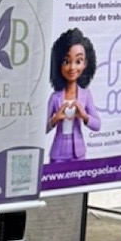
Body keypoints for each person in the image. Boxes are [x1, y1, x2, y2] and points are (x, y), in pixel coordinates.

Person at [47, 28, 101, 162]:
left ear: (85, 64)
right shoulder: (55, 97)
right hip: (58, 152)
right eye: (66, 61)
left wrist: (84, 116)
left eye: (78, 61)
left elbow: (97, 125)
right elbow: (41, 129)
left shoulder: (86, 95)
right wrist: (55, 119)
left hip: (78, 152)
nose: (72, 68)